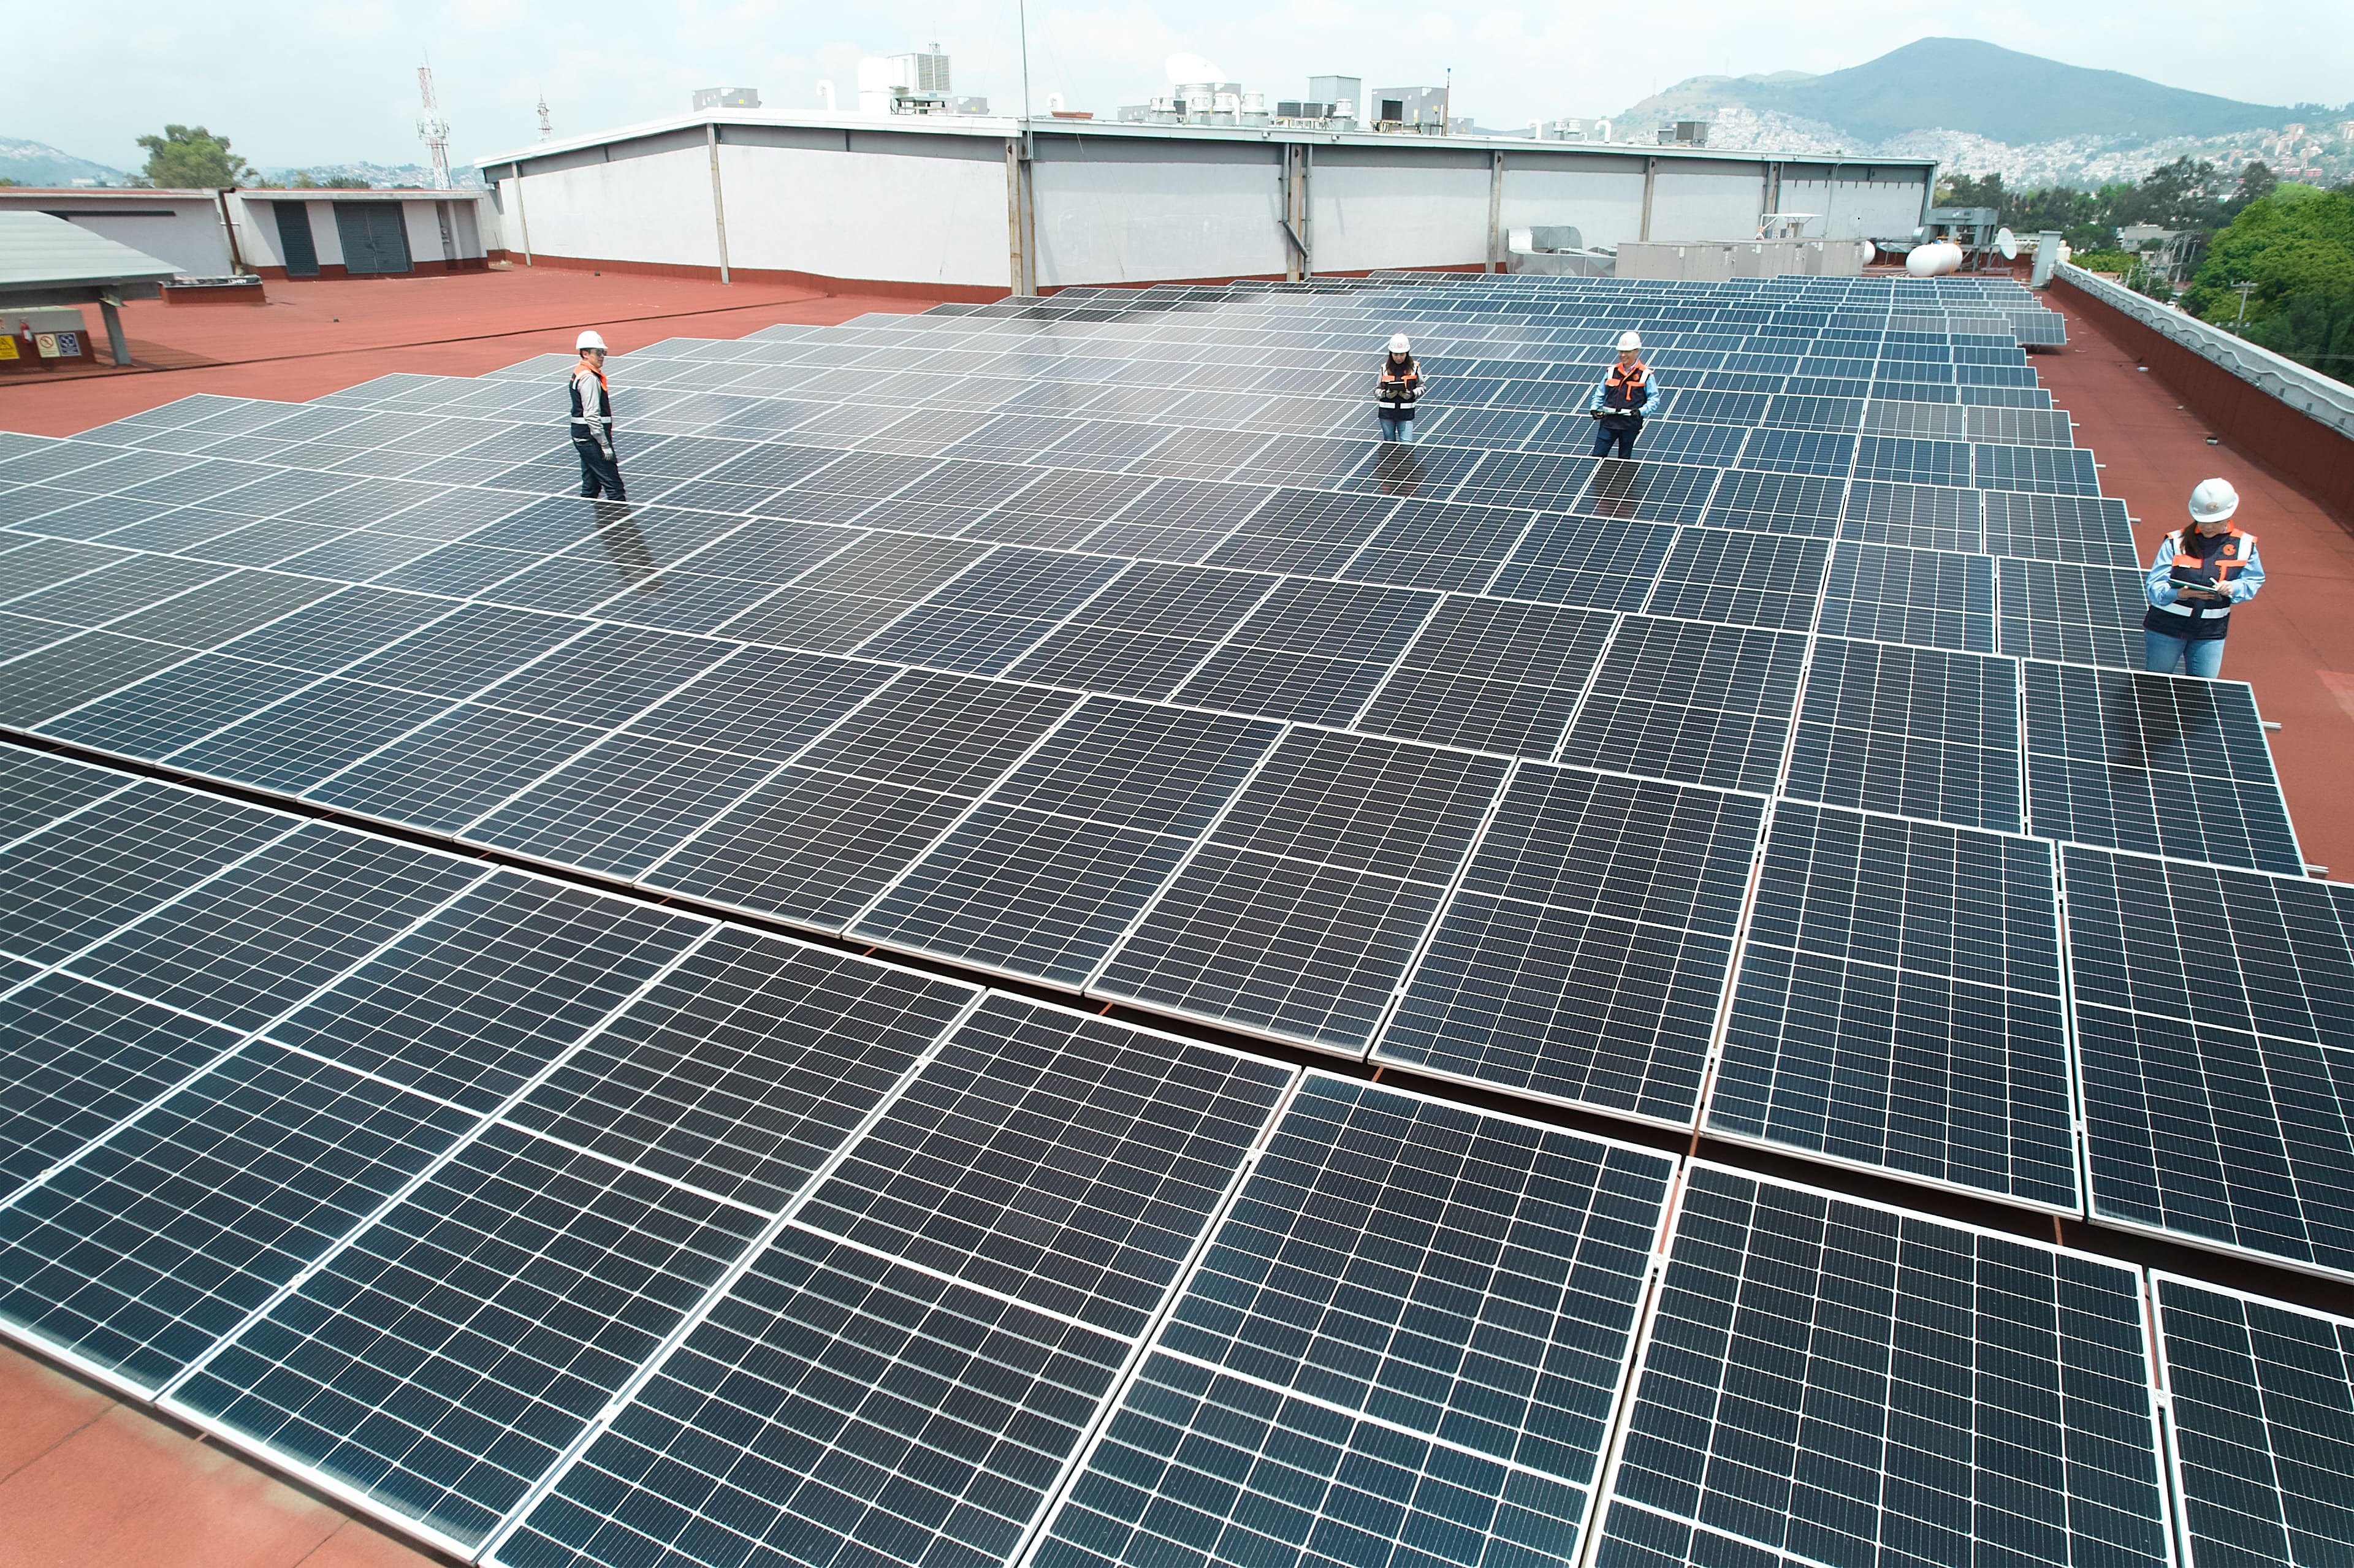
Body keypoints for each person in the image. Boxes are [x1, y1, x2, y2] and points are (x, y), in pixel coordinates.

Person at [2144, 477, 2263, 677]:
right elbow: (2154, 587)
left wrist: (2233, 588)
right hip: (2166, 628)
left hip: (2210, 633)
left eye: (2215, 522)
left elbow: (2253, 580)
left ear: (2229, 516)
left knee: (2201, 691)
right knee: (2156, 685)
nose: (2208, 527)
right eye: (2204, 521)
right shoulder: (2176, 541)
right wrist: (2179, 593)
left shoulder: (2244, 545)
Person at [569, 329, 625, 500]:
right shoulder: (589, 378)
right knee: (614, 486)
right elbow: (592, 414)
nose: (602, 356)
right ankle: (618, 525)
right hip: (591, 438)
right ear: (585, 354)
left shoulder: (582, 372)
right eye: (599, 353)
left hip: (584, 437)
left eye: (604, 353)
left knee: (591, 485)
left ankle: (587, 522)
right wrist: (604, 444)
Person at [1588, 331, 1658, 459]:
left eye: (1627, 352)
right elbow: (1600, 393)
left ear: (1637, 351)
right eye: (1621, 352)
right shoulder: (1611, 371)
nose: (1623, 355)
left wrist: (1641, 411)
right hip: (1609, 422)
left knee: (1624, 459)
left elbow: (1654, 399)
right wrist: (1594, 408)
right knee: (1597, 456)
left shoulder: (1645, 374)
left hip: (1630, 424)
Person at [1376, 334, 1423, 443]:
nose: (1399, 358)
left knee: (1406, 444)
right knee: (1389, 443)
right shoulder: (1385, 369)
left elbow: (1422, 387)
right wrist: (1386, 394)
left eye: (1402, 354)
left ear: (1407, 354)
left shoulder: (1414, 368)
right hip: (1387, 413)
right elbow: (1377, 390)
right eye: (1396, 354)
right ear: (1391, 354)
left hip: (1406, 414)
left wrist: (1412, 394)